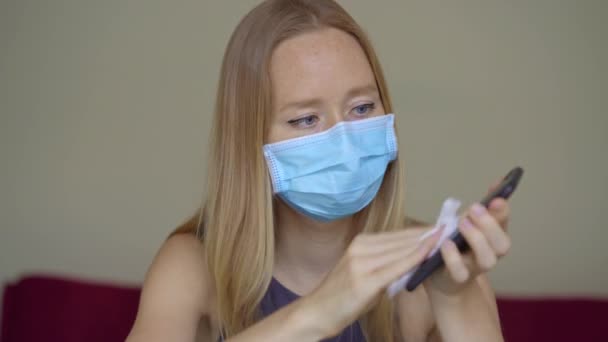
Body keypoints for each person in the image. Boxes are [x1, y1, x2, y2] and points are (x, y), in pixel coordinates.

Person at [126, 0, 512, 341]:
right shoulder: (191, 267)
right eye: (307, 119)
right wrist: (316, 314)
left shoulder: (440, 264)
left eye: (361, 108)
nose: (343, 141)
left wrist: (453, 296)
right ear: (249, 143)